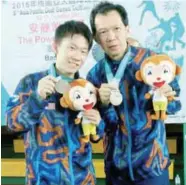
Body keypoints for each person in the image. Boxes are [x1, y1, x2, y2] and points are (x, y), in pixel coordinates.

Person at [87, 2, 181, 185]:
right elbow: (97, 131)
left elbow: (176, 105)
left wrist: (167, 98)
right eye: (103, 32)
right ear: (96, 38)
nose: (111, 37)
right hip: (116, 171)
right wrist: (104, 105)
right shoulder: (95, 75)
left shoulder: (153, 60)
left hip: (152, 167)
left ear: (127, 28)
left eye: (116, 28)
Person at [6, 20, 104, 185]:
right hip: (43, 179)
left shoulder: (87, 88)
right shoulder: (30, 83)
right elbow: (12, 124)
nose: (77, 57)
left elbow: (96, 136)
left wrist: (98, 124)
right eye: (72, 48)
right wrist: (37, 98)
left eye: (83, 51)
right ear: (56, 47)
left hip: (82, 179)